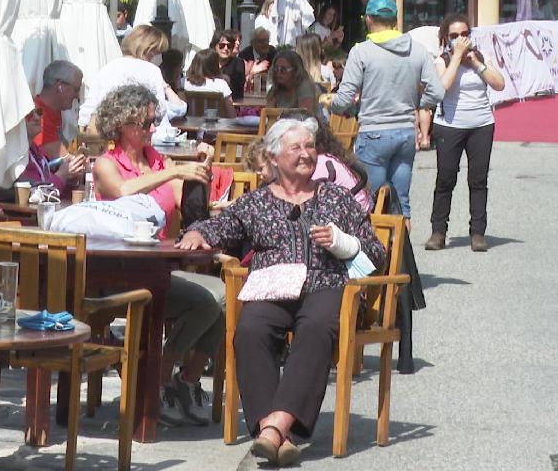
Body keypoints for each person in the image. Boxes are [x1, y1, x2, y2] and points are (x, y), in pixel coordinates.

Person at [176, 118, 385, 466]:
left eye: (310, 146)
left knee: (317, 329)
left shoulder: (335, 197)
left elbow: (376, 251)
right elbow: (215, 226)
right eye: (296, 148)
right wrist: (198, 233)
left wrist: (342, 243)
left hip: (327, 284)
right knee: (250, 330)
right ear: (273, 156)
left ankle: (273, 429)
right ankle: (280, 435)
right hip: (273, 285)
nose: (306, 154)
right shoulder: (256, 202)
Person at [91, 85, 222, 426]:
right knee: (207, 302)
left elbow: (189, 206)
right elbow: (120, 191)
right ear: (124, 124)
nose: (154, 128)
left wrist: (198, 171)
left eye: (155, 120)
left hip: (157, 269)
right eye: (147, 122)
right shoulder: (107, 164)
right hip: (117, 274)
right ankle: (159, 381)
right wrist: (173, 171)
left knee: (223, 301)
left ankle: (183, 380)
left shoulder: (156, 160)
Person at [328, 0, 444, 222]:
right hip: (404, 131)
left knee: (370, 201)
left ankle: (377, 255)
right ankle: (403, 254)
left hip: (374, 131)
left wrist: (334, 105)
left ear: (369, 20)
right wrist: (417, 104)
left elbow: (343, 99)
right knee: (402, 202)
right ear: (395, 20)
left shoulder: (362, 51)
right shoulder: (418, 50)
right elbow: (437, 92)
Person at [424, 14, 506, 252]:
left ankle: (478, 233)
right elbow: (442, 88)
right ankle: (439, 231)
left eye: (464, 34)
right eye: (454, 35)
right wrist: (457, 57)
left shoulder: (481, 56)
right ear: (445, 39)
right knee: (446, 178)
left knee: (478, 180)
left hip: (481, 124)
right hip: (449, 126)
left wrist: (477, 63)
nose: (460, 39)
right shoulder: (442, 60)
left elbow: (499, 83)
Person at [78, 25, 187, 137]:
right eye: (158, 51)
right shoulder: (152, 70)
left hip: (111, 135)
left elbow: (89, 107)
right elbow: (159, 110)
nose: (160, 56)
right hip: (144, 137)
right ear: (150, 50)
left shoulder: (107, 68)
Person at [0, 107, 86, 208]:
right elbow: (35, 196)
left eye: (38, 112)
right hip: (11, 220)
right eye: (29, 114)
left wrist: (71, 180)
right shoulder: (12, 156)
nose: (37, 118)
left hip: (38, 217)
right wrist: (62, 175)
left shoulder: (36, 152)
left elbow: (55, 197)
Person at [34, 60, 83, 159]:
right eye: (76, 90)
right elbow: (67, 160)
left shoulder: (55, 110)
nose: (78, 96)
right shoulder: (37, 115)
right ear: (60, 87)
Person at [184, 48, 236, 118]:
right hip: (217, 127)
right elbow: (231, 114)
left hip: (188, 127)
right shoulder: (221, 85)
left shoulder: (184, 83)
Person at [267, 50, 318, 115]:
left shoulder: (305, 87)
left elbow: (305, 117)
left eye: (283, 69)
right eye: (276, 69)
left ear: (295, 71)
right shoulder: (277, 87)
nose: (278, 73)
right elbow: (268, 113)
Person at [240, 27, 279, 95]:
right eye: (262, 41)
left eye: (267, 40)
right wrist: (254, 72)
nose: (265, 44)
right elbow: (242, 80)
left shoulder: (273, 52)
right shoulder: (244, 55)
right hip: (250, 94)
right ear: (253, 43)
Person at [211, 29, 246, 101]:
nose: (226, 48)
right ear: (215, 46)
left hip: (232, 104)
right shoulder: (208, 62)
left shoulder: (238, 63)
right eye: (222, 45)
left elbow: (236, 86)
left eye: (229, 46)